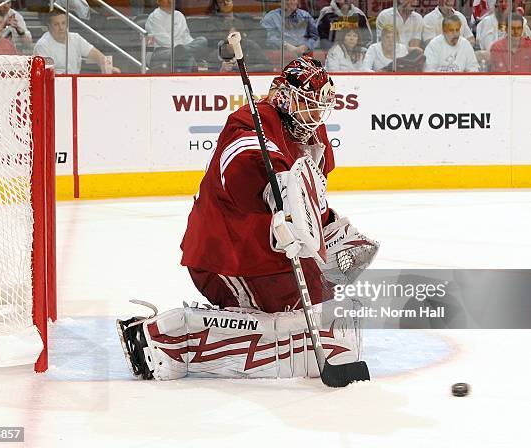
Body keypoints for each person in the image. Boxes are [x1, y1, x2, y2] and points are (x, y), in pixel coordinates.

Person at [117, 56, 379, 381]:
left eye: (319, 107)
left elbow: (312, 193)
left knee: (319, 301)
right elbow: (242, 162)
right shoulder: (248, 123)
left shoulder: (312, 133)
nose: (314, 116)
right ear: (285, 97)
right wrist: (273, 191)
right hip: (229, 254)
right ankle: (166, 337)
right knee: (285, 323)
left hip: (272, 255)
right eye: (307, 104)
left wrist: (330, 227)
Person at [33, 10, 120, 74]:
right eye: (56, 24)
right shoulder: (42, 46)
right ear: (49, 26)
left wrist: (106, 66)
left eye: (63, 23)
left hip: (75, 81)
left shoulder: (76, 38)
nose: (61, 28)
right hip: (53, 86)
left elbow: (94, 53)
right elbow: (47, 73)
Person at [204, 0, 270, 72]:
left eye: (228, 0)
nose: (225, 4)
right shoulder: (216, 55)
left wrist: (243, 68)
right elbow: (209, 76)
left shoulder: (250, 46)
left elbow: (268, 67)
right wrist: (221, 70)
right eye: (221, 2)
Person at [145, 0, 208, 72]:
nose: (170, 1)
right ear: (158, 1)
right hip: (161, 51)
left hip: (181, 50)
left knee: (202, 40)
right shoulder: (153, 17)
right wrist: (181, 49)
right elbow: (162, 39)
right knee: (186, 55)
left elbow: (186, 37)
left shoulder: (179, 15)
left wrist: (189, 46)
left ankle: (184, 52)